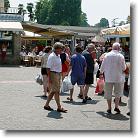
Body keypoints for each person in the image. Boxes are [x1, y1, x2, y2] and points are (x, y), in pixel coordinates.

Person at [100, 42, 126, 114]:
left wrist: (101, 72)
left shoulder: (107, 55)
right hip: (118, 77)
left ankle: (109, 108)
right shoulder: (121, 56)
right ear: (118, 48)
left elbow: (103, 65)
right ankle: (116, 107)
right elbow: (124, 68)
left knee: (108, 93)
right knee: (117, 93)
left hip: (108, 77)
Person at [44, 42, 67, 113]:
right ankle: (58, 107)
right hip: (53, 74)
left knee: (54, 91)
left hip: (57, 74)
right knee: (56, 91)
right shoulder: (52, 56)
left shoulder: (57, 55)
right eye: (61, 49)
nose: (62, 51)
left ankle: (47, 105)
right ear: (57, 49)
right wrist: (49, 78)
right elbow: (48, 68)